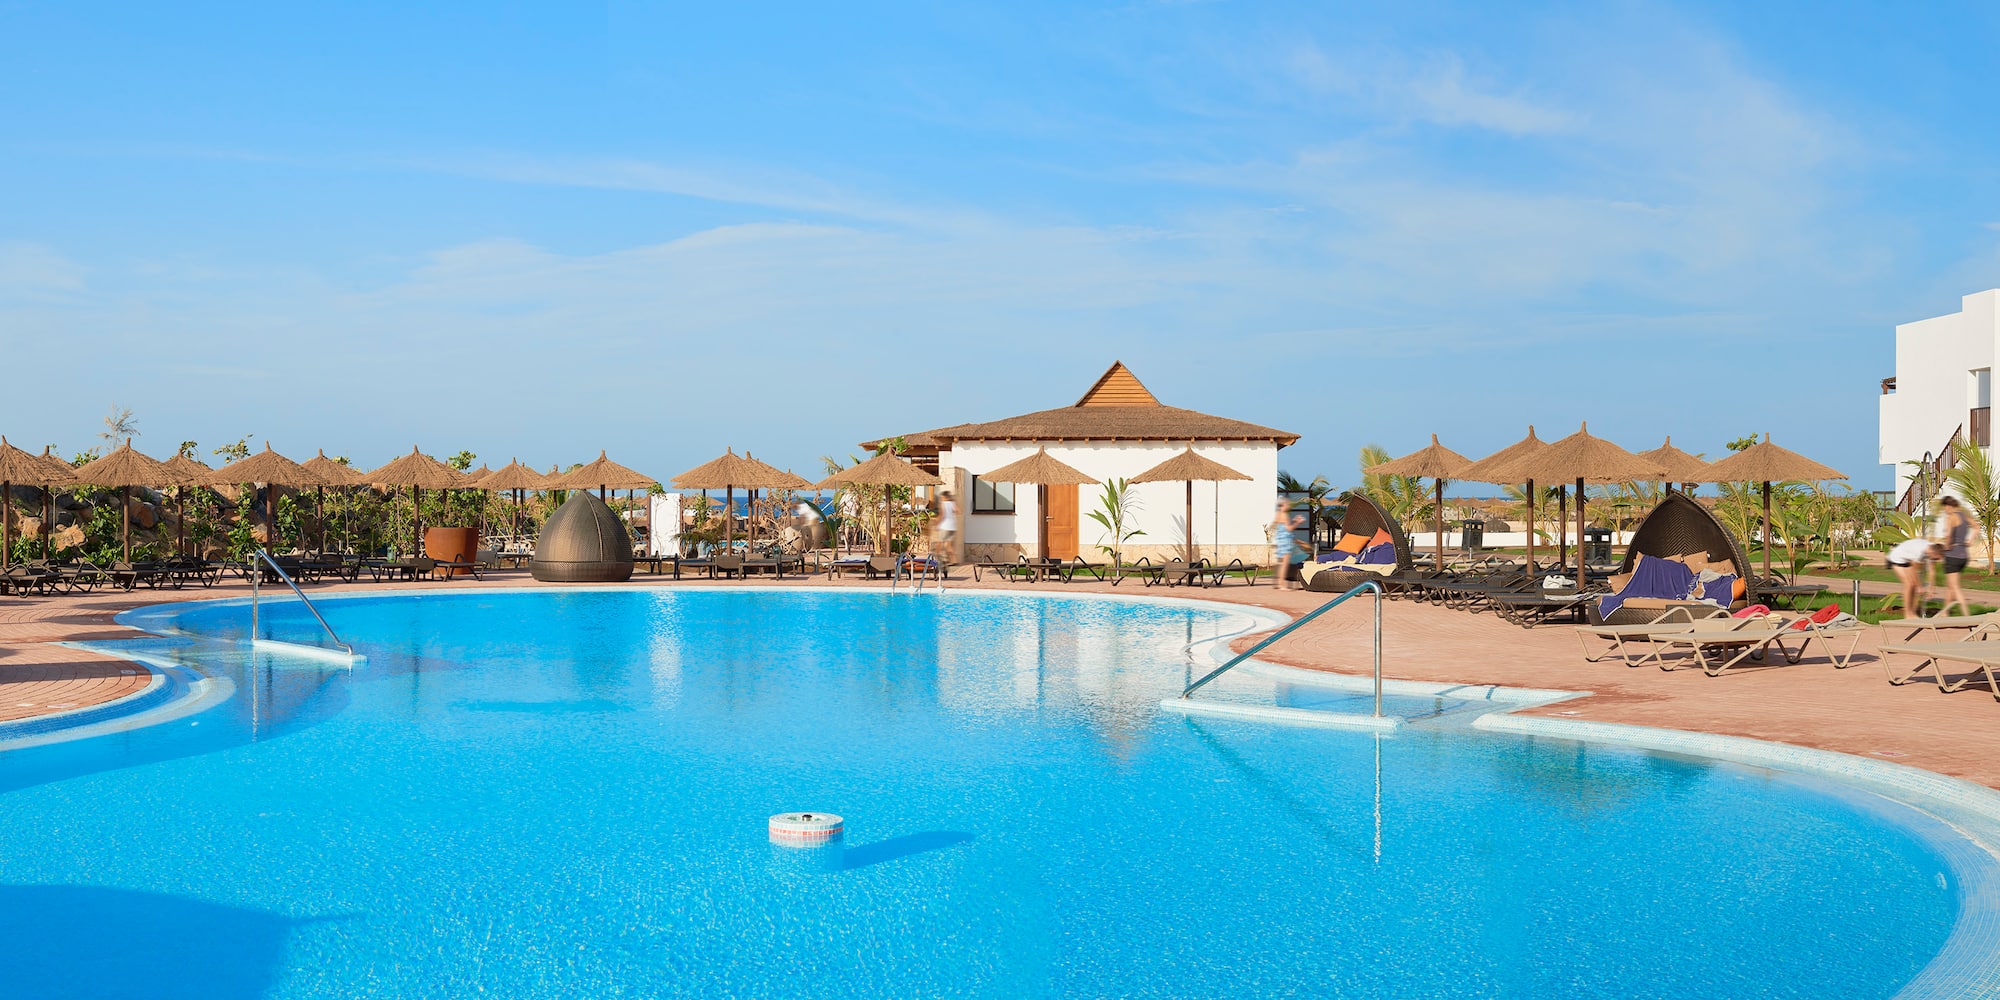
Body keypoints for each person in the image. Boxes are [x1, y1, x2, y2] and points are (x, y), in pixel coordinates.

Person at [1936, 496, 1978, 617]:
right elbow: (1976, 526)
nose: (1945, 510)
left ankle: (1966, 613)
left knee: (1954, 587)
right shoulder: (1964, 516)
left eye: (1945, 507)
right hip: (1963, 556)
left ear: (1949, 506)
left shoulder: (1950, 517)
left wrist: (1946, 546)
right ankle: (1945, 613)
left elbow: (1948, 536)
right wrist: (1970, 540)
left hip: (1952, 556)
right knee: (1950, 586)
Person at [1887, 535, 1945, 618]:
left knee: (1913, 586)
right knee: (1909, 584)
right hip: (1896, 558)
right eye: (1936, 558)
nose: (1936, 560)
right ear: (1933, 553)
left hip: (1908, 560)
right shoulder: (1919, 552)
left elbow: (1932, 571)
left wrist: (1931, 588)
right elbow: (1914, 571)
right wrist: (1920, 586)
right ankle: (1908, 614)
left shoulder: (1933, 547)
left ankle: (1912, 613)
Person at [1271, 500, 1297, 591]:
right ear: (1284, 505)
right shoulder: (1285, 515)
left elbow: (1280, 526)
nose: (1289, 505)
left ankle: (1279, 583)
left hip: (1281, 541)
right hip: (1286, 541)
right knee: (1285, 564)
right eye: (1287, 504)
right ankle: (1282, 585)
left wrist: (1293, 521)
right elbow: (1289, 528)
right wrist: (1297, 522)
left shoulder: (1278, 514)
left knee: (1281, 563)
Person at [932, 490, 960, 570]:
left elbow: (942, 515)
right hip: (953, 527)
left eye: (942, 497)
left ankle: (936, 560)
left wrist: (937, 524)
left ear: (944, 497)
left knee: (939, 543)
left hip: (945, 526)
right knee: (949, 545)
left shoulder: (943, 504)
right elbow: (958, 511)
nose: (941, 498)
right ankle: (954, 561)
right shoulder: (953, 503)